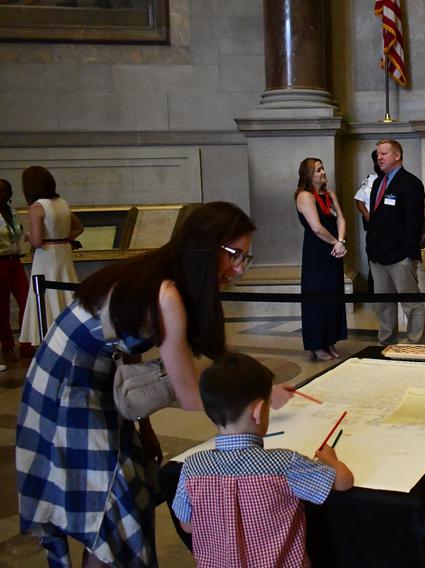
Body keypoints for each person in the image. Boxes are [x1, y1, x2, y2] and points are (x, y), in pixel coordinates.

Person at [16, 201, 296, 567]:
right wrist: (257, 396)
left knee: (126, 494)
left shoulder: (163, 275)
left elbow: (124, 351)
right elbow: (191, 395)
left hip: (92, 382)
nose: (240, 269)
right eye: (234, 255)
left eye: (246, 257)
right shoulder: (167, 295)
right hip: (68, 391)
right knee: (114, 506)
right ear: (205, 245)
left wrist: (141, 426)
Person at [172, 352, 353, 568]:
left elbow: (187, 525)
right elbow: (343, 481)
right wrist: (331, 460)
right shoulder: (284, 464)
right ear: (258, 412)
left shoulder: (192, 467)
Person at [18, 165, 83, 357]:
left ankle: (49, 340)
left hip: (46, 256)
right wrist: (64, 238)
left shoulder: (37, 207)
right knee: (66, 293)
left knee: (45, 296)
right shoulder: (62, 203)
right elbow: (79, 227)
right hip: (63, 252)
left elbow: (38, 241)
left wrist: (28, 236)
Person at [366, 139, 425, 345]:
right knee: (383, 303)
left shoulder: (411, 183)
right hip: (377, 255)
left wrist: (410, 255)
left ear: (397, 155)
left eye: (383, 154)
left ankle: (415, 342)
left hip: (400, 255)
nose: (379, 158)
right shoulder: (377, 183)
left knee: (411, 303)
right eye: (377, 154)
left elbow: (414, 222)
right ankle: (386, 340)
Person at [295, 157, 348, 360]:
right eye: (318, 170)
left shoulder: (329, 194)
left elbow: (341, 218)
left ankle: (330, 340)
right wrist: (336, 243)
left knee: (333, 294)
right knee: (317, 297)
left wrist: (340, 241)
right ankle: (317, 344)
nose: (323, 172)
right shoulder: (304, 196)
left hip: (334, 251)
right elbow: (316, 227)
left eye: (323, 168)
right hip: (317, 253)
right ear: (308, 175)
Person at [0, 179, 29, 364]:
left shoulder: (12, 212)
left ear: (9, 194)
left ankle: (26, 343)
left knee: (27, 300)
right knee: (1, 306)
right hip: (0, 262)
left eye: (2, 190)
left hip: (15, 261)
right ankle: (7, 346)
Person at [354, 149, 382, 227]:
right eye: (375, 161)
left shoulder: (395, 180)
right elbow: (359, 200)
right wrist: (369, 218)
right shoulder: (370, 179)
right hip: (372, 226)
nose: (377, 164)